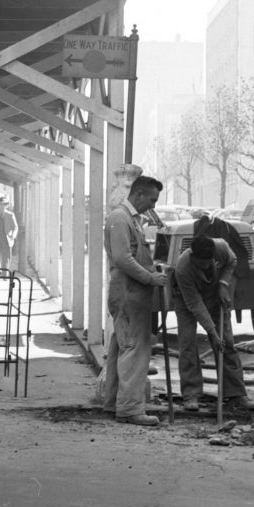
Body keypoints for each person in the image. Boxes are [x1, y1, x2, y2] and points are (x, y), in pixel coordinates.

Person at [101, 175, 168, 426]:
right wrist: (150, 278)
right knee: (134, 351)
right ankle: (129, 409)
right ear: (138, 193)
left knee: (122, 347)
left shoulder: (131, 219)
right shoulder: (120, 218)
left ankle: (113, 403)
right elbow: (122, 258)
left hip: (133, 294)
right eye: (151, 199)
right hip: (129, 293)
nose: (153, 206)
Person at [170, 233, 254, 413]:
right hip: (186, 299)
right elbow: (195, 304)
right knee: (187, 343)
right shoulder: (183, 267)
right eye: (200, 263)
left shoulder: (222, 247)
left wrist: (223, 284)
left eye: (208, 262)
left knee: (227, 342)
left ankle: (235, 394)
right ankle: (191, 394)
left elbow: (232, 262)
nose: (204, 266)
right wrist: (212, 332)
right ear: (193, 257)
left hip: (214, 293)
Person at [0, 197, 19, 271]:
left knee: (6, 258)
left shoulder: (10, 215)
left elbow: (15, 227)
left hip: (7, 239)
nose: (2, 206)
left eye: (4, 204)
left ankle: (5, 275)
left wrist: (13, 235)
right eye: (0, 204)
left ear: (6, 205)